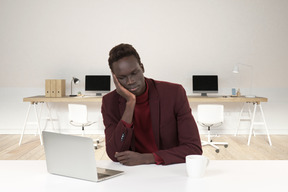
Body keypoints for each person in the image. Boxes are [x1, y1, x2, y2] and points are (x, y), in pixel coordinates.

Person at [101, 43, 202, 166]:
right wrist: (130, 103)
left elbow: (194, 149)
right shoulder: (109, 102)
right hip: (133, 173)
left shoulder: (173, 93)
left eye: (134, 73)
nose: (130, 81)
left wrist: (147, 158)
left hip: (169, 168)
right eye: (122, 77)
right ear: (114, 78)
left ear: (142, 68)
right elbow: (114, 154)